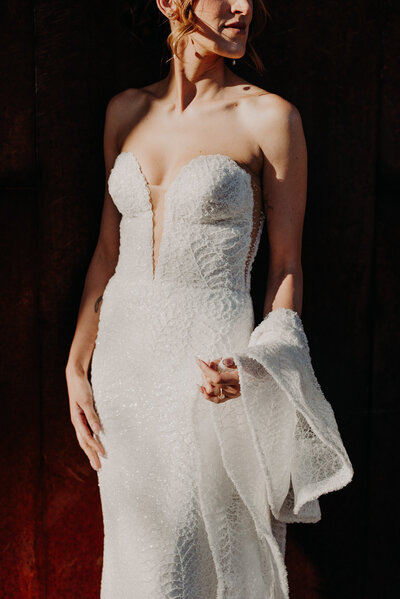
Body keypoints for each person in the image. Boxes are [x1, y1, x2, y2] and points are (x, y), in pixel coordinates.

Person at [65, 1, 354, 597]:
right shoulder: (125, 111)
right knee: (136, 564)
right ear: (172, 2)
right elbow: (106, 251)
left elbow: (286, 266)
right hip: (123, 373)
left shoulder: (270, 118)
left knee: (183, 565)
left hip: (207, 374)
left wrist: (259, 368)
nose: (245, 6)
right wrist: (75, 362)